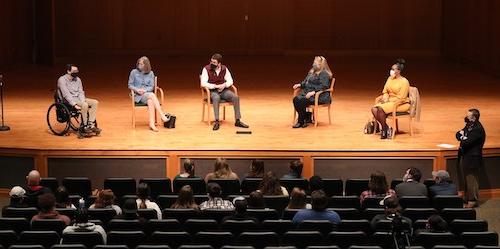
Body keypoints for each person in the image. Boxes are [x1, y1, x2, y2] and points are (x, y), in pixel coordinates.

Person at [200, 53, 249, 131]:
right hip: (212, 91)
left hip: (223, 90)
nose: (212, 64)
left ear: (219, 63)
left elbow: (230, 80)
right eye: (211, 62)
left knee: (235, 97)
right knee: (216, 98)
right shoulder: (206, 69)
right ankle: (216, 121)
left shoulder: (224, 69)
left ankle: (237, 120)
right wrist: (215, 86)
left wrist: (224, 85)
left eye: (214, 62)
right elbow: (203, 83)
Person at [128, 56, 170, 132]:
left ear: (146, 65)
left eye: (142, 64)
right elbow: (130, 85)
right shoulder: (133, 72)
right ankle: (162, 114)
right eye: (139, 64)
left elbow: (151, 87)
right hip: (137, 95)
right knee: (152, 95)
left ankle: (152, 124)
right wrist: (137, 90)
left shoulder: (151, 73)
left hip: (146, 94)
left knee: (150, 101)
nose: (139, 65)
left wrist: (144, 90)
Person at [371, 58, 410, 139]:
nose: (391, 71)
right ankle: (386, 127)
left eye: (393, 69)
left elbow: (402, 98)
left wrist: (388, 100)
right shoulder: (390, 79)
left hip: (400, 103)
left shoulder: (404, 81)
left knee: (381, 109)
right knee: (374, 109)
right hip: (390, 102)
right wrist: (385, 97)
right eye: (391, 69)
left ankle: (384, 131)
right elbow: (385, 91)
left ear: (398, 71)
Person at [58, 64, 101, 134]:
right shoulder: (62, 80)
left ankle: (90, 124)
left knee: (95, 102)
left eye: (77, 70)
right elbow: (66, 95)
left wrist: (82, 100)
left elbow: (81, 91)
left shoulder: (78, 79)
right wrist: (74, 104)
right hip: (68, 101)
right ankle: (84, 126)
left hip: (78, 98)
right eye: (74, 71)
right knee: (84, 105)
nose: (76, 72)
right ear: (68, 71)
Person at [292, 56, 333, 128]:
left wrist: (314, 92)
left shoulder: (324, 74)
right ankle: (306, 117)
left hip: (319, 96)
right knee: (296, 99)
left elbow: (324, 86)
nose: (313, 64)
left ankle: (301, 121)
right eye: (314, 62)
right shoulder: (311, 72)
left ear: (320, 64)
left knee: (302, 101)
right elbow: (305, 82)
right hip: (307, 94)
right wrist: (300, 85)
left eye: (315, 62)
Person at [456, 108, 486, 208]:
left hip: (472, 159)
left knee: (471, 180)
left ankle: (472, 200)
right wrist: (462, 137)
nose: (466, 116)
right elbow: (458, 134)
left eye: (468, 115)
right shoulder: (469, 125)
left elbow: (466, 142)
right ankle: (467, 197)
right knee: (467, 179)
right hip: (466, 156)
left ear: (473, 117)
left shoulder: (477, 129)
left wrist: (463, 138)